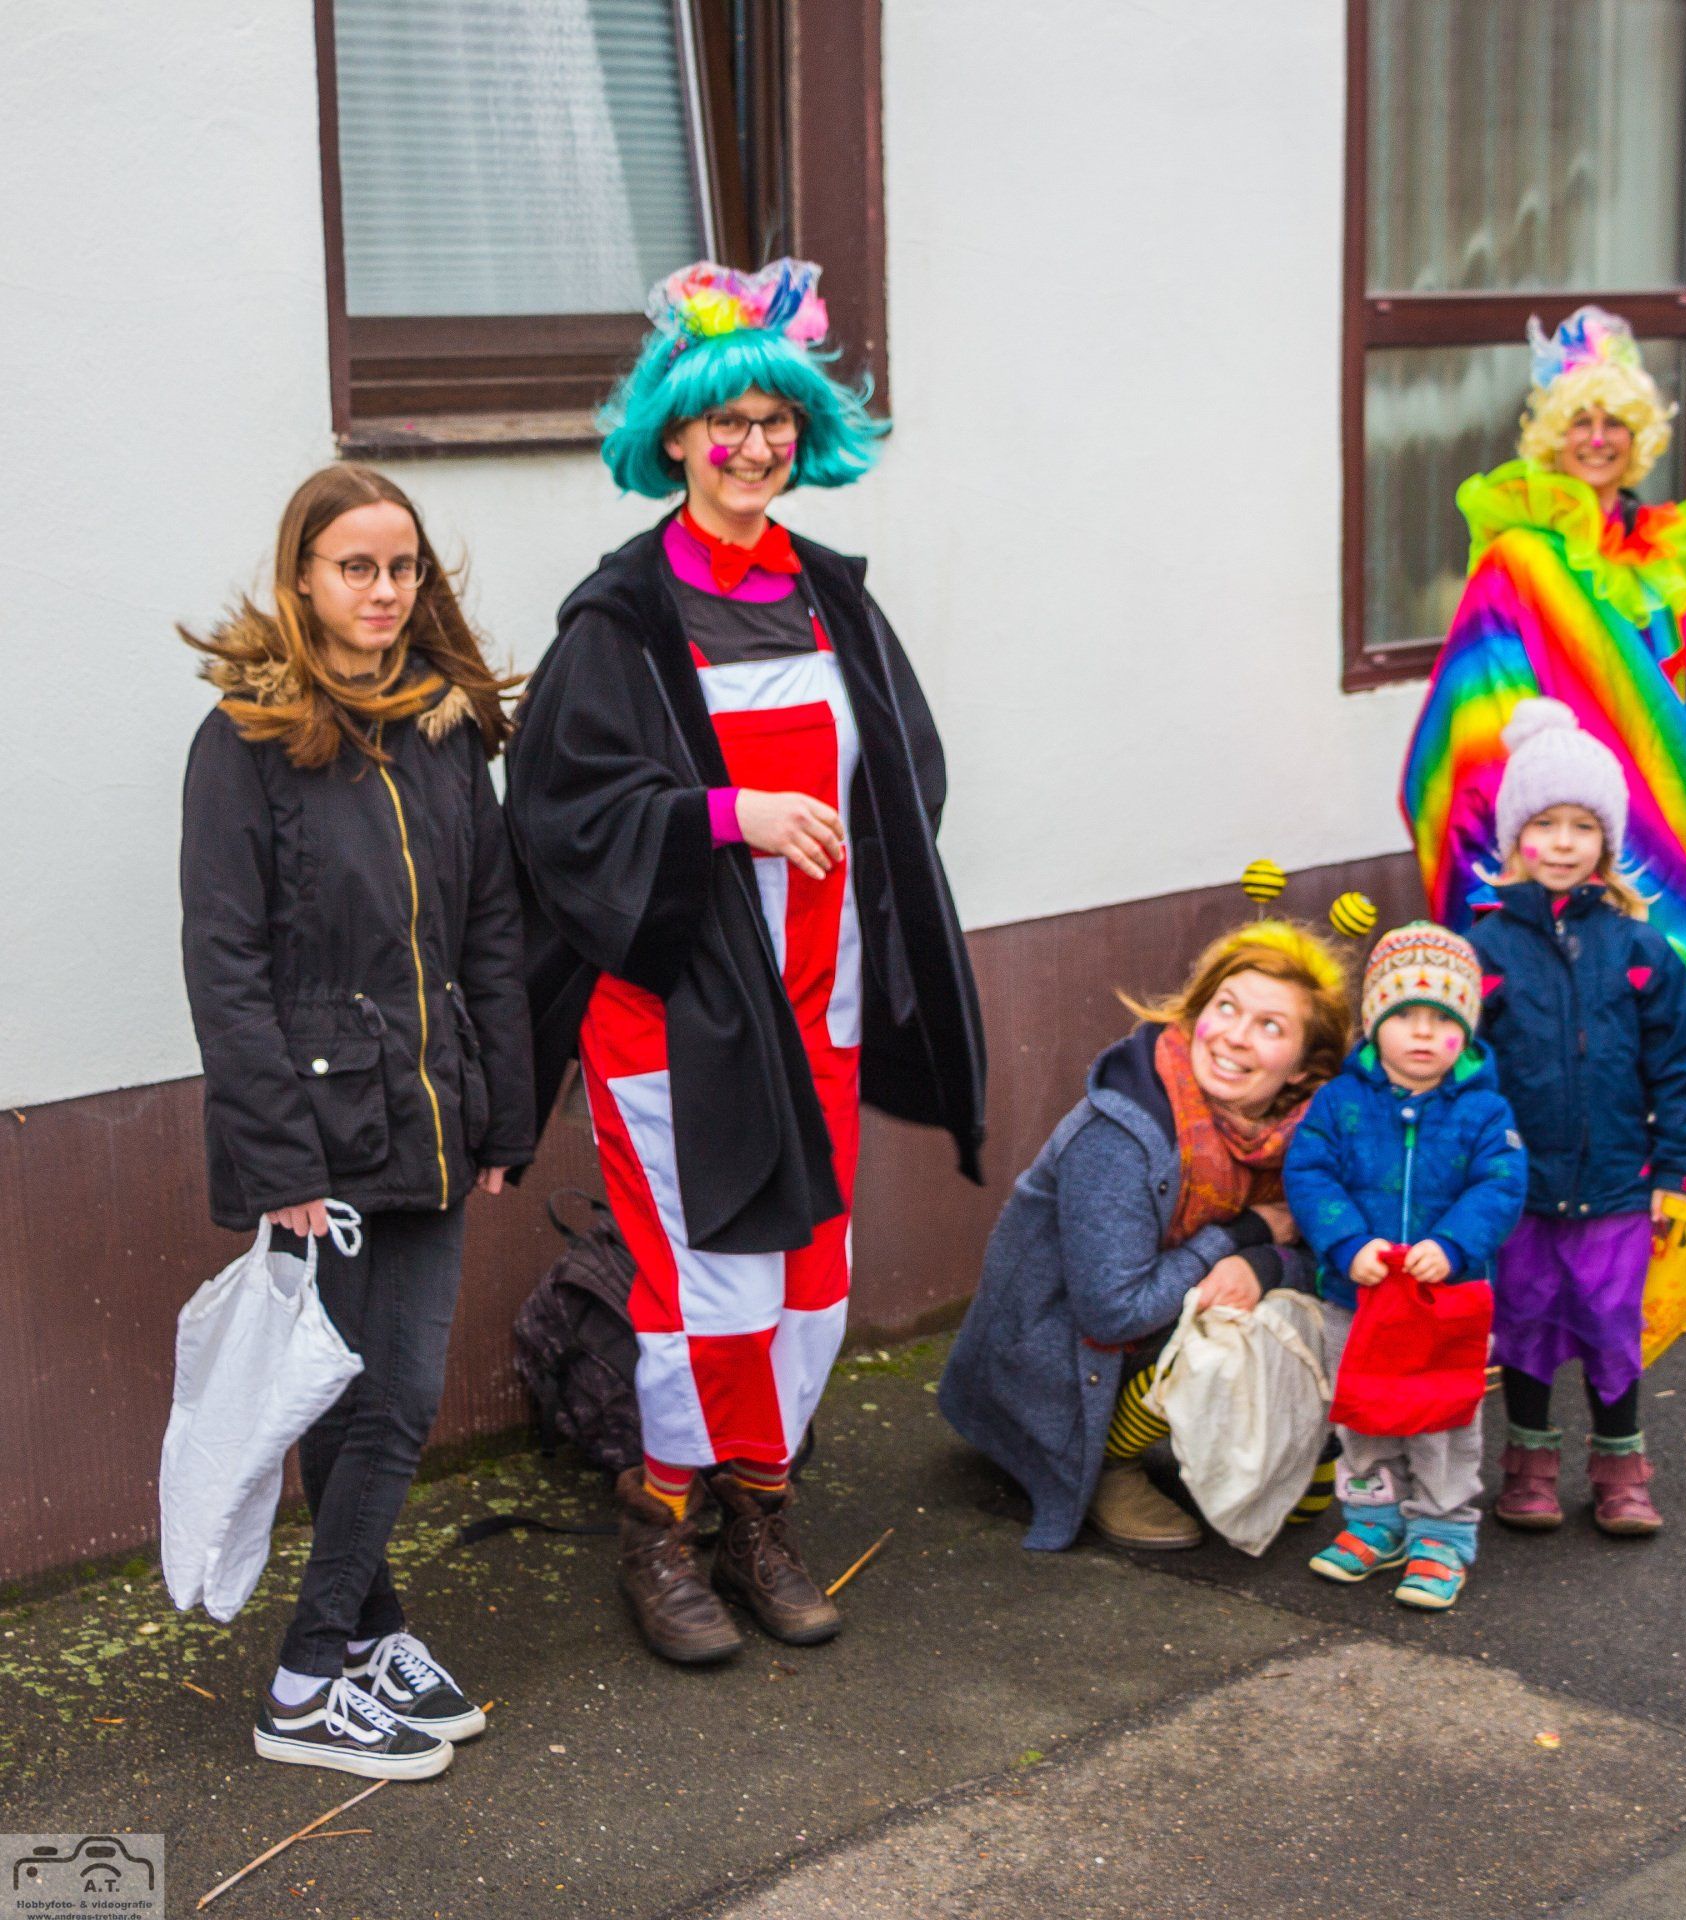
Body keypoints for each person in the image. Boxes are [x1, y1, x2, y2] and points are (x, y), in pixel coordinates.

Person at [507, 259, 986, 1666]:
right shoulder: (621, 619)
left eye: (777, 420)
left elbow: (906, 772)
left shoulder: (833, 596)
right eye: (727, 421)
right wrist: (726, 817)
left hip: (821, 1005)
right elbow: (561, 815)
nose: (755, 446)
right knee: (705, 1297)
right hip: (675, 1022)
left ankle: (758, 1519)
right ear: (673, 434)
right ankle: (659, 1529)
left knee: (814, 1289)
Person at [180, 464, 534, 1778]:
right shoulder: (244, 741)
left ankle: (372, 1631)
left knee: (378, 1401)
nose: (384, 591)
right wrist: (275, 1156)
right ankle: (304, 1683)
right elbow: (224, 965)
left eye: (402, 567)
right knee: (369, 1406)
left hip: (432, 1119)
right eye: (356, 568)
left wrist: (503, 1110)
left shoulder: (446, 730)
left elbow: (489, 927)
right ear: (304, 578)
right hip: (319, 1137)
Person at [1401, 304, 1686, 1053]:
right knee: (1554, 1039)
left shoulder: (1660, 565)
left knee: (1657, 1028)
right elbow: (1477, 723)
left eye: (1614, 422)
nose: (1597, 438)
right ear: (1553, 435)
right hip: (1553, 851)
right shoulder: (1519, 561)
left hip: (1665, 853)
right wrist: (1509, 862)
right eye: (1579, 421)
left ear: (1638, 437)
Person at [939, 922, 1350, 1552]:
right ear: (1197, 1013)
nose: (1236, 1036)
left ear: (1303, 1071)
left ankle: (1289, 1439)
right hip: (1064, 1364)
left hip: (1156, 1314)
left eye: (1270, 1026)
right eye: (1226, 1007)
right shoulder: (1122, 1132)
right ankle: (1108, 1459)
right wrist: (1243, 1235)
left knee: (1351, 1285)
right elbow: (1114, 1310)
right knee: (1226, 1320)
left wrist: (1261, 1265)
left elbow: (1326, 1258)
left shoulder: (1306, 1133)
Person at [1467, 700, 1686, 1537]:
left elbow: (1677, 1068)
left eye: (1583, 826)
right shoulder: (1485, 952)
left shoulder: (1641, 950)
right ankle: (1528, 1468)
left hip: (1617, 1183)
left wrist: (1676, 1171)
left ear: (1607, 841)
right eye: (1545, 824)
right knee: (1525, 1324)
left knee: (1612, 1328)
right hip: (1520, 1189)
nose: (1565, 842)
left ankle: (1620, 1472)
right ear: (1515, 839)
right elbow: (1461, 1072)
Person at [1286, 922, 1528, 1612]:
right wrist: (1346, 1242)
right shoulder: (1339, 1103)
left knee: (1442, 1418)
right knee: (1364, 1411)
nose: (1423, 1033)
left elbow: (1502, 1185)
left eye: (1443, 1019)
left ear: (1467, 1030)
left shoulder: (1485, 1111)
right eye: (1404, 1016)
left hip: (1446, 1301)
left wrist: (1453, 1245)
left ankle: (1442, 1532)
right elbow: (1310, 1174)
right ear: (1372, 1023)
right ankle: (1374, 1521)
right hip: (1356, 1295)